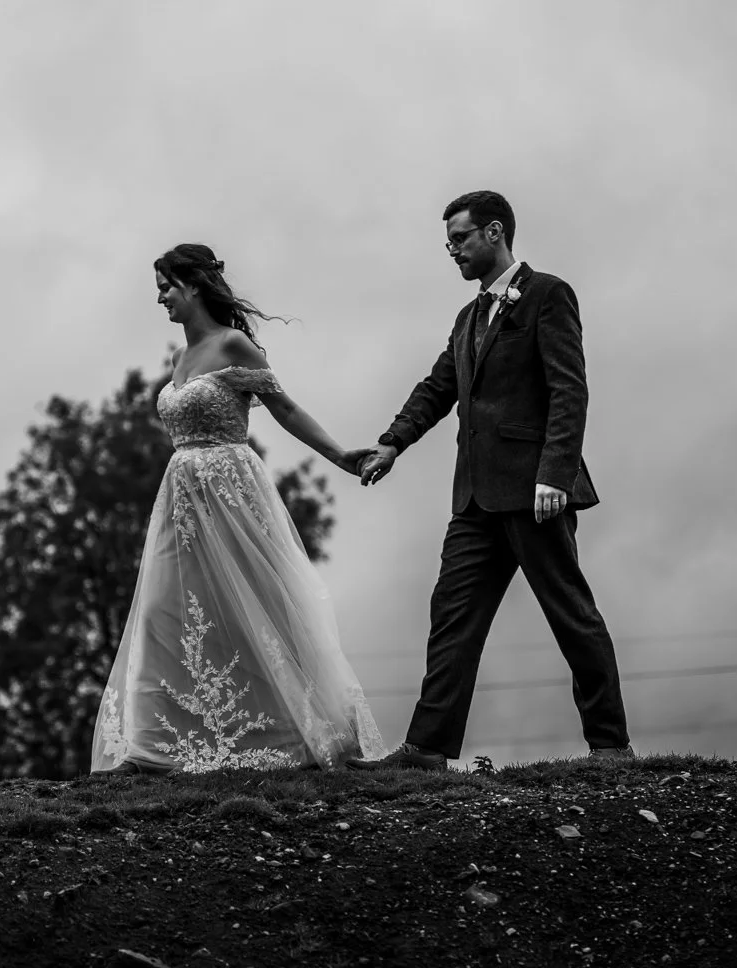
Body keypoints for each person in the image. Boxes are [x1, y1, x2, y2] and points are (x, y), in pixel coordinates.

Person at [346, 191, 632, 771]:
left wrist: (554, 474)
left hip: (536, 494)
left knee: (571, 615)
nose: (451, 251)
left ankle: (611, 747)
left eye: (459, 239)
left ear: (494, 232)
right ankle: (427, 750)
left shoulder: (549, 295)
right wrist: (392, 442)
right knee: (452, 617)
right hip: (474, 499)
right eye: (448, 242)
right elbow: (437, 387)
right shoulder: (468, 317)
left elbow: (568, 390)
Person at [90, 243, 386, 776]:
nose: (160, 298)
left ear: (194, 286)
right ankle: (153, 743)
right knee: (164, 608)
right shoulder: (179, 358)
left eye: (166, 287)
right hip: (180, 494)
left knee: (253, 606)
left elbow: (285, 408)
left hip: (230, 490)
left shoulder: (234, 345)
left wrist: (341, 455)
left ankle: (295, 734)